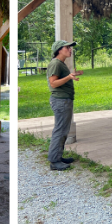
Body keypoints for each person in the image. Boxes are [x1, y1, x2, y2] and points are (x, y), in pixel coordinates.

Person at [46, 40, 83, 171]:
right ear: (59, 50)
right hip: (61, 101)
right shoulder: (56, 63)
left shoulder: (60, 63)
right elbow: (53, 83)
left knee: (63, 130)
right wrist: (69, 77)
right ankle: (54, 161)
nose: (70, 49)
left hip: (64, 100)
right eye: (67, 47)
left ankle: (58, 156)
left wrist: (71, 75)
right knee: (60, 130)